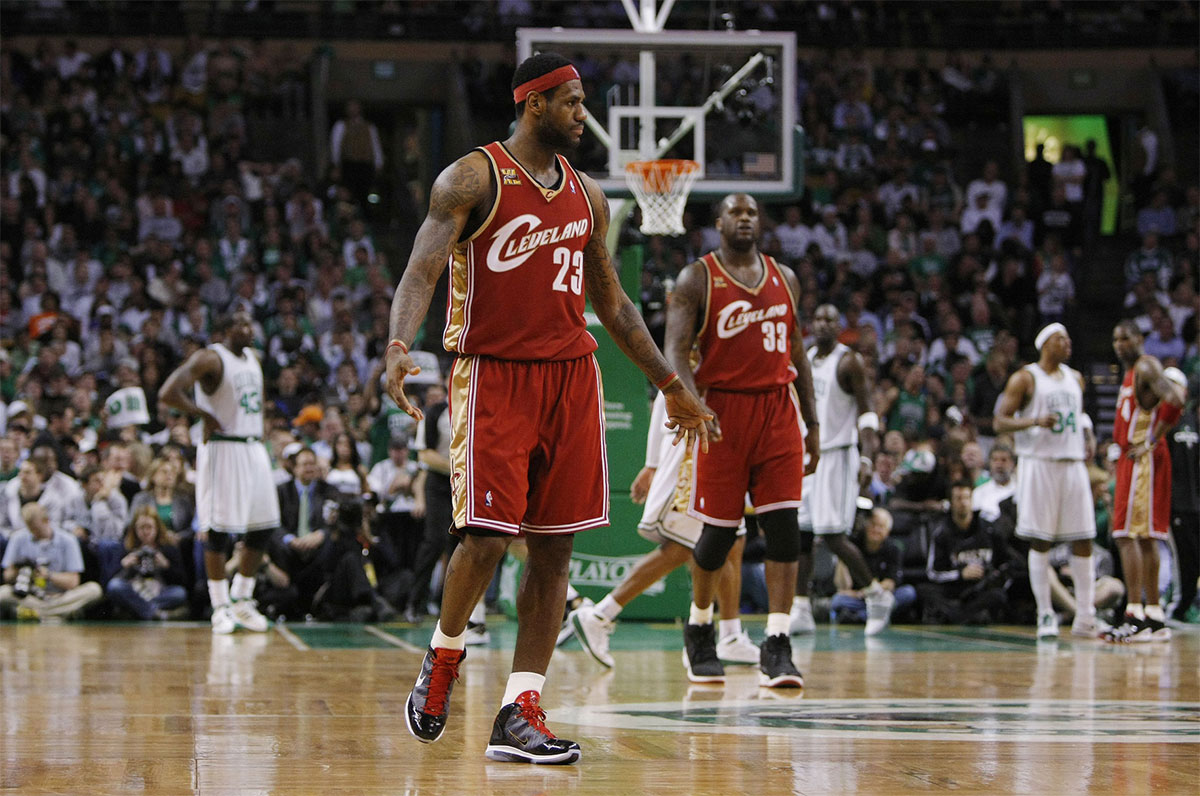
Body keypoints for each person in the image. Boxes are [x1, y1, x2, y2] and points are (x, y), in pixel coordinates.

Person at [383, 52, 710, 764]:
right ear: (534, 105)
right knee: (487, 538)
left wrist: (668, 384)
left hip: (571, 378)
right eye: (570, 103)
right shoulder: (472, 177)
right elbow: (422, 267)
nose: (580, 115)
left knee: (556, 545)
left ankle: (519, 708)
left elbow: (614, 304)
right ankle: (443, 659)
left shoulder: (588, 195)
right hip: (493, 374)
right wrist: (398, 343)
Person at [665, 192, 819, 687]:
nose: (745, 219)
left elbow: (798, 353)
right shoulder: (698, 278)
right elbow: (675, 351)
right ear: (719, 222)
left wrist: (812, 423)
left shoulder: (785, 278)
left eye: (753, 212)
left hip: (777, 411)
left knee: (784, 527)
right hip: (722, 412)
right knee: (717, 535)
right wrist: (693, 406)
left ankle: (777, 642)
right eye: (736, 212)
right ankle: (700, 626)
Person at [565, 390, 759, 669]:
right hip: (693, 450)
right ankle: (600, 615)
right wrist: (653, 463)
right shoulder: (694, 352)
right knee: (683, 546)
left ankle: (730, 635)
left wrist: (652, 462)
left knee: (732, 541)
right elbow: (668, 384)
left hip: (722, 448)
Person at [158, 310, 281, 635]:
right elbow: (168, 392)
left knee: (263, 528)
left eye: (250, 323)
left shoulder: (252, 358)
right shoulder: (210, 358)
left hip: (253, 447)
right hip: (224, 448)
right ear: (225, 329)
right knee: (219, 532)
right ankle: (219, 606)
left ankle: (241, 599)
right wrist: (203, 415)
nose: (249, 329)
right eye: (241, 324)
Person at [994, 323, 1102, 639]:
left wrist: (1088, 432)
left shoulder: (1075, 378)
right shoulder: (1026, 377)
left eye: (1069, 338)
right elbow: (1000, 419)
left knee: (1083, 538)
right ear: (1044, 344)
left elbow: (1079, 413)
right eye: (1060, 338)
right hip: (1038, 463)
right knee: (1041, 539)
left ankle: (1086, 617)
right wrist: (1034, 421)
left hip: (1072, 464)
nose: (1068, 342)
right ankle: (1045, 614)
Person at [789, 304, 891, 636]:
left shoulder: (849, 362)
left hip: (838, 455)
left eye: (830, 320)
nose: (823, 324)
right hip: (808, 454)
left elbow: (867, 413)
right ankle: (800, 608)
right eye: (818, 318)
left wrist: (867, 457)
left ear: (839, 326)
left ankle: (876, 596)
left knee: (832, 536)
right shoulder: (805, 356)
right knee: (802, 534)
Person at [1105, 321, 1186, 642]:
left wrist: (1152, 439)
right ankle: (1153, 614)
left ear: (1140, 339)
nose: (1119, 343)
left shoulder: (1147, 365)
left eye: (1126, 337)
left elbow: (1176, 398)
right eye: (1115, 338)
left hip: (1144, 460)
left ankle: (1136, 612)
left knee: (1129, 536)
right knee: (1143, 537)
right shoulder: (1130, 373)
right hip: (1133, 460)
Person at [920, 480, 1017, 625]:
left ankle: (959, 616)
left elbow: (1007, 562)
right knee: (924, 590)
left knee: (998, 595)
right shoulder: (941, 533)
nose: (963, 503)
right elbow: (933, 572)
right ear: (951, 502)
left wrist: (993, 577)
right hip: (953, 587)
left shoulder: (989, 530)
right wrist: (960, 574)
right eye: (958, 498)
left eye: (967, 498)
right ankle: (968, 616)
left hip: (981, 589)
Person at [0, 503, 103, 621]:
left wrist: (49, 576)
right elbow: (7, 577)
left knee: (94, 589)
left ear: (46, 520)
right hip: (29, 596)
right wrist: (19, 569)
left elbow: (74, 581)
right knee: (2, 593)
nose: (33, 532)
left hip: (60, 597)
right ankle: (56, 615)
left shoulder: (68, 540)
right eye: (30, 528)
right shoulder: (17, 538)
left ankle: (40, 614)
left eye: (35, 528)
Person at [830, 508, 917, 626]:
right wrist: (842, 556)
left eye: (881, 526)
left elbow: (890, 583)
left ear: (888, 531)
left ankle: (862, 617)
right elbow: (843, 587)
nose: (876, 530)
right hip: (858, 599)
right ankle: (873, 616)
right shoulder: (852, 547)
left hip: (880, 597)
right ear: (866, 526)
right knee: (837, 600)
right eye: (873, 525)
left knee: (908, 593)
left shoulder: (893, 549)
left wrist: (867, 592)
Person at [104, 505, 187, 620]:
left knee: (179, 593)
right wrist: (123, 565)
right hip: (134, 590)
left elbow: (182, 580)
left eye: (149, 527)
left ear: (157, 528)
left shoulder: (168, 547)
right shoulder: (125, 546)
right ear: (134, 529)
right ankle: (155, 613)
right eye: (141, 528)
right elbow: (108, 579)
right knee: (115, 586)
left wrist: (166, 566)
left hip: (158, 590)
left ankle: (137, 610)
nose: (146, 532)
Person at [1165, 370, 1198, 624]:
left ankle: (1185, 604)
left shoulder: (1191, 420)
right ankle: (1176, 606)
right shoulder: (1163, 420)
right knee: (1181, 558)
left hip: (1194, 502)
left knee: (1194, 557)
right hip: (1173, 503)